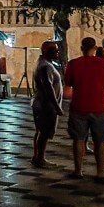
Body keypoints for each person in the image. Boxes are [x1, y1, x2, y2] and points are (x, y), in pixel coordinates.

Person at [64, 37, 104, 182]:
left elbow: (68, 84)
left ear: (82, 48)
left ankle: (78, 171)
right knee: (100, 141)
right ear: (95, 48)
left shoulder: (73, 64)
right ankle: (100, 172)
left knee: (79, 139)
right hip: (99, 107)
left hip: (79, 106)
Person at [32, 41, 64, 169]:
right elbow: (48, 87)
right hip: (45, 104)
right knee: (44, 133)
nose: (58, 52)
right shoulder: (45, 66)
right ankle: (40, 158)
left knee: (40, 131)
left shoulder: (45, 64)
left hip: (42, 103)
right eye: (55, 50)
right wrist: (56, 106)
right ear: (46, 52)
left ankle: (37, 157)